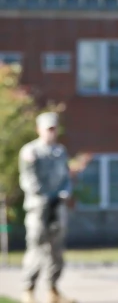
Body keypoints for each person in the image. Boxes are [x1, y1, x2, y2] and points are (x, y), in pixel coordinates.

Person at [18, 112, 75, 303]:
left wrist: (64, 193)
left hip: (57, 207)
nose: (51, 132)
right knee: (36, 248)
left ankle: (52, 290)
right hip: (38, 208)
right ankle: (29, 289)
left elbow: (66, 178)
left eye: (54, 128)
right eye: (47, 129)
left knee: (56, 251)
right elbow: (28, 179)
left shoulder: (60, 152)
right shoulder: (30, 151)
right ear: (39, 129)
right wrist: (43, 196)